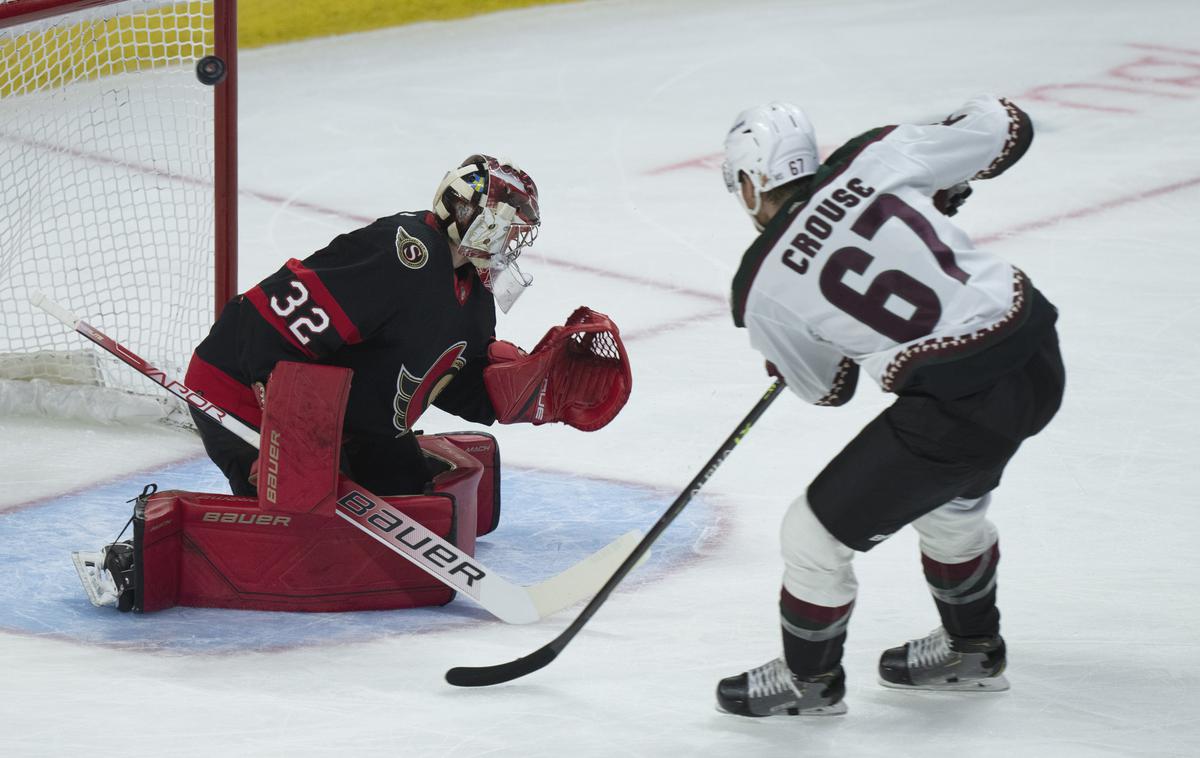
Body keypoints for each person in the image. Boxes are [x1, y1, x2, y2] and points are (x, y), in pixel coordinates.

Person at [714, 96, 1065, 717]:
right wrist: (937, 181)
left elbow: (827, 388)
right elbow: (1008, 125)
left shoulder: (761, 283)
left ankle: (808, 682)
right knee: (952, 508)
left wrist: (803, 345)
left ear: (749, 181)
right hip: (1034, 353)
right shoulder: (874, 157)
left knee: (811, 536)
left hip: (960, 407)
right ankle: (973, 650)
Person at [184, 154, 629, 498]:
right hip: (239, 388)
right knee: (303, 511)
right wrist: (283, 431)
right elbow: (268, 319)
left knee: (413, 497)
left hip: (342, 417)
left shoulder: (474, 294)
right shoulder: (398, 253)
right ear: (466, 214)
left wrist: (529, 393)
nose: (510, 242)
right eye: (504, 227)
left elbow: (450, 383)